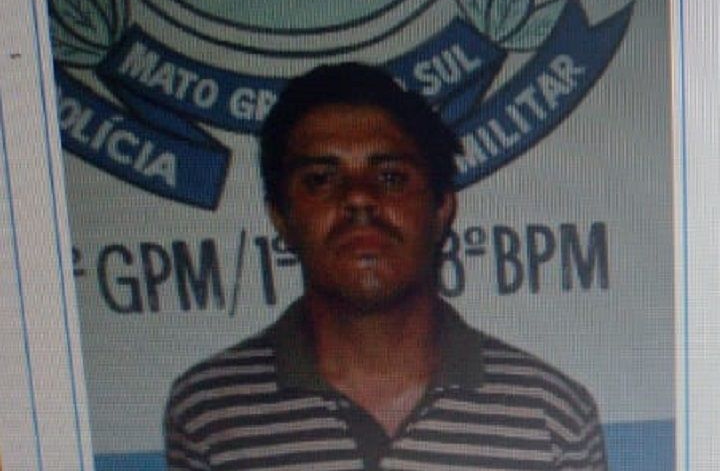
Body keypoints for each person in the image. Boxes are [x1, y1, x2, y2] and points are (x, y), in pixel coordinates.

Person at [164, 63, 607, 471]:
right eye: (320, 179)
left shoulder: (551, 416)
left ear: (440, 209)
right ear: (282, 218)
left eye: (391, 177)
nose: (359, 197)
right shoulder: (209, 413)